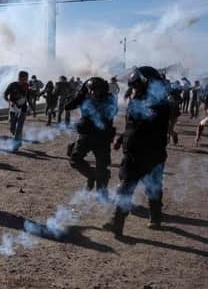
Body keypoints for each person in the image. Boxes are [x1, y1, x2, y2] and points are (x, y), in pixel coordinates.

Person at [103, 66, 171, 235]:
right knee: (125, 187)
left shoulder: (161, 103)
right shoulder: (136, 98)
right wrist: (121, 138)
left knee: (153, 188)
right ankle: (117, 222)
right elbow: (132, 124)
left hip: (152, 154)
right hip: (133, 152)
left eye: (137, 86)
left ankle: (155, 217)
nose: (133, 89)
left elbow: (147, 121)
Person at [65, 77, 117, 198]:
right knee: (75, 160)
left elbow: (111, 112)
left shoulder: (109, 99)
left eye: (94, 90)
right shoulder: (85, 97)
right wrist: (81, 93)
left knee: (102, 166)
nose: (91, 92)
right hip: (86, 135)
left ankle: (102, 190)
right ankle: (91, 176)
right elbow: (68, 107)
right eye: (90, 90)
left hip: (102, 137)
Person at [3, 70, 30, 149]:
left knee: (19, 128)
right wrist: (9, 101)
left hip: (23, 109)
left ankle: (15, 145)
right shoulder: (12, 85)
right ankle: (19, 140)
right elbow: (5, 95)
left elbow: (28, 98)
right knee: (12, 128)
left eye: (26, 79)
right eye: (23, 78)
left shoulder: (27, 86)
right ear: (19, 77)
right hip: (13, 109)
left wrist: (32, 108)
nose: (24, 80)